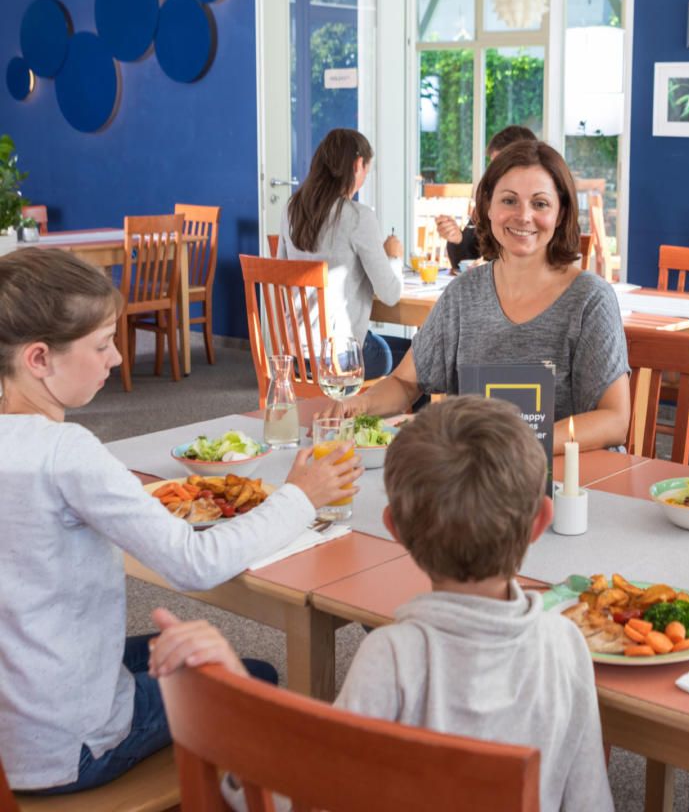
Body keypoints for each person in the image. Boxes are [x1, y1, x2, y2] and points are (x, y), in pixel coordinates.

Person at [0, 248, 360, 794]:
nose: (117, 360)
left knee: (184, 645)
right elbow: (196, 563)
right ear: (38, 360)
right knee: (254, 677)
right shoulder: (65, 452)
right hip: (63, 747)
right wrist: (301, 496)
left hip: (17, 707)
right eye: (101, 346)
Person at [149, 396, 616, 812]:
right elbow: (590, 800)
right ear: (540, 523)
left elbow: (296, 794)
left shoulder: (392, 656)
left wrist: (232, 685)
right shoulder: (567, 645)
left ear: (394, 529)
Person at [328, 139, 629, 453]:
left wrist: (523, 444)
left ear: (561, 212)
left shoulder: (589, 299)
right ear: (487, 206)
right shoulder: (463, 293)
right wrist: (359, 404)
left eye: (540, 204)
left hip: (569, 484)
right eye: (509, 201)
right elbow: (405, 383)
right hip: (478, 482)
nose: (523, 216)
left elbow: (615, 419)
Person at [280, 128, 404, 378]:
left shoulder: (291, 209)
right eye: (367, 169)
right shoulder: (359, 216)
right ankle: (379, 417)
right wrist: (393, 256)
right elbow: (390, 294)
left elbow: (283, 273)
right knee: (420, 357)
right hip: (339, 358)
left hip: (294, 356)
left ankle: (352, 414)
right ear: (358, 164)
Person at [434, 125, 539, 271]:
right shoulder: (487, 202)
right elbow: (466, 263)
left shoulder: (543, 212)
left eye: (503, 165)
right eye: (494, 165)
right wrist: (457, 239)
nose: (496, 172)